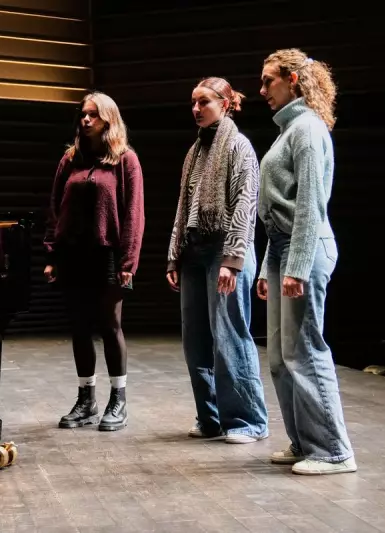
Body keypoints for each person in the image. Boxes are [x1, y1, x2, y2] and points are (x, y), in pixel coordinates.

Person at [257, 48, 356, 474]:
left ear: (292, 80)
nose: (262, 90)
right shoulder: (287, 130)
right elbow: (276, 208)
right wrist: (268, 266)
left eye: (268, 81)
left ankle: (334, 451)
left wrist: (296, 266)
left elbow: (311, 204)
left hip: (306, 249)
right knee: (280, 357)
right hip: (282, 248)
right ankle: (304, 442)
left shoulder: (308, 128)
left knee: (306, 352)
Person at [166, 77, 269, 444]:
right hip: (194, 251)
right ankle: (210, 418)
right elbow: (183, 206)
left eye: (204, 102)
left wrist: (233, 259)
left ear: (225, 105)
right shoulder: (195, 151)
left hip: (226, 250)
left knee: (229, 335)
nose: (196, 109)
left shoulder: (239, 146)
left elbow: (246, 204)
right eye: (193, 102)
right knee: (195, 338)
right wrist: (174, 255)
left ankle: (247, 421)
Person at [43, 91, 145, 431]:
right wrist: (52, 254)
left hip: (109, 256)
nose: (86, 120)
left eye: (93, 115)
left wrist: (128, 263)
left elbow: (134, 214)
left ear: (108, 119)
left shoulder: (125, 160)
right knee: (80, 327)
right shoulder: (69, 160)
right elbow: (55, 209)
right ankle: (86, 400)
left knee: (109, 325)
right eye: (83, 115)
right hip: (73, 254)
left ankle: (119, 399)